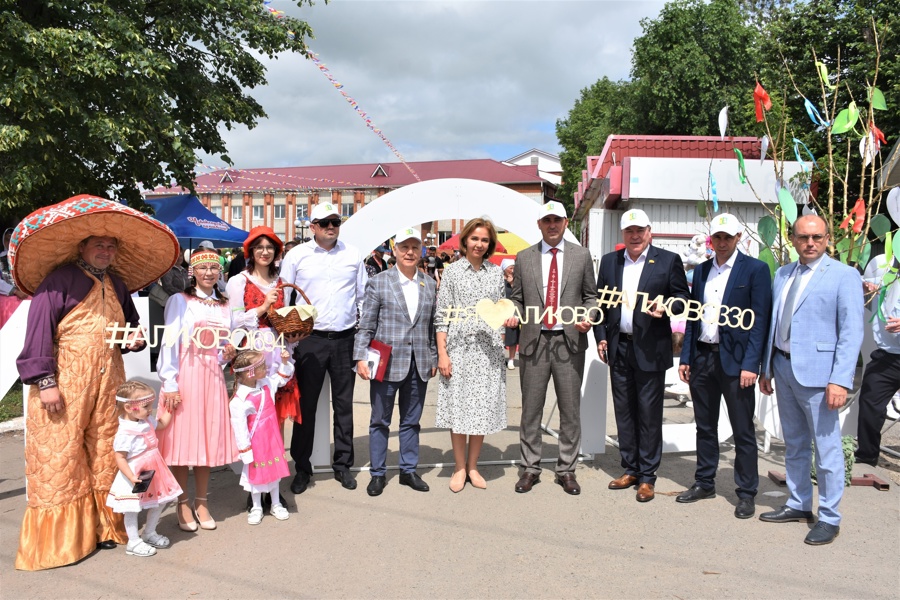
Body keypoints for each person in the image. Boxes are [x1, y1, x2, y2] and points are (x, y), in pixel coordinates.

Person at [11, 194, 179, 571]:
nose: (105, 249)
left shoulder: (118, 284)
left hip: (111, 381)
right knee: (60, 454)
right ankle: (64, 543)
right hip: (67, 380)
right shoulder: (58, 282)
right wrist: (45, 381)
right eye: (98, 244)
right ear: (82, 247)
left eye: (110, 245)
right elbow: (38, 334)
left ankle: (109, 527)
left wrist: (132, 339)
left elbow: (128, 329)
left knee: (108, 448)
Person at [759, 214, 863, 545]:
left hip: (821, 377)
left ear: (828, 238)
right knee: (795, 444)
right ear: (793, 239)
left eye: (817, 237)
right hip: (784, 367)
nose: (810, 243)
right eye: (804, 237)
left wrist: (840, 380)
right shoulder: (784, 273)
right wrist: (767, 367)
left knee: (827, 448)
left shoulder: (844, 276)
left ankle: (830, 517)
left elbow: (851, 332)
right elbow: (775, 323)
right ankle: (799, 502)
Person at [677, 213, 772, 518]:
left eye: (727, 237)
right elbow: (693, 317)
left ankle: (746, 492)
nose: (721, 242)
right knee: (705, 426)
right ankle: (705, 482)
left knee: (742, 429)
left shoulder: (755, 270)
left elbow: (759, 322)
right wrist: (687, 356)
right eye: (716, 237)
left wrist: (751, 364)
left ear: (738, 238)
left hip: (736, 361)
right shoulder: (702, 270)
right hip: (704, 356)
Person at [594, 208, 690, 502]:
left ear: (650, 231)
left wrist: (667, 306)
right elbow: (599, 303)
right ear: (623, 234)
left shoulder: (667, 260)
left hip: (650, 346)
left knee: (649, 413)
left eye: (640, 230)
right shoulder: (610, 262)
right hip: (618, 345)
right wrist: (600, 337)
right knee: (624, 412)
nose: (635, 236)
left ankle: (648, 476)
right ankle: (631, 468)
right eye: (629, 231)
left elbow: (683, 297)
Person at [508, 201, 599, 495]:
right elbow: (517, 297)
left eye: (557, 220)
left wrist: (589, 315)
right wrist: (511, 310)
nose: (552, 225)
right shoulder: (524, 257)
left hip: (569, 341)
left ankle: (566, 470)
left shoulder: (581, 256)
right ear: (539, 224)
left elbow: (591, 297)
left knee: (570, 410)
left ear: (565, 223)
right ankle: (530, 468)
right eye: (547, 220)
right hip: (534, 341)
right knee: (530, 410)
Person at [279, 202, 366, 493]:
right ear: (312, 226)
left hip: (345, 339)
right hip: (309, 340)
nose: (331, 226)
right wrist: (287, 340)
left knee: (344, 407)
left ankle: (343, 466)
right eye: (325, 222)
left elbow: (362, 296)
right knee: (306, 407)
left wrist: (362, 335)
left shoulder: (352, 254)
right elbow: (285, 297)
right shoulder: (296, 255)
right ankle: (302, 467)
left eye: (336, 221)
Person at [157, 249, 238, 533]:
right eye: (202, 268)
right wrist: (169, 383)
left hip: (212, 379)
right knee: (183, 445)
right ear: (193, 271)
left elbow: (220, 350)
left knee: (205, 443)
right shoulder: (180, 301)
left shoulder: (225, 305)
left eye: (213, 268)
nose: (208, 273)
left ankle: (202, 502)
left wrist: (227, 354)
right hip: (185, 376)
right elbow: (169, 342)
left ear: (219, 272)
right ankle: (182, 502)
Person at [354, 227, 438, 496]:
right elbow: (366, 324)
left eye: (415, 247)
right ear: (394, 250)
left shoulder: (429, 283)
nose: (410, 252)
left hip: (419, 362)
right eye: (404, 247)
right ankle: (378, 473)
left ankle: (408, 470)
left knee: (411, 420)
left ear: (421, 250)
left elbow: (432, 325)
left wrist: (434, 355)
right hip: (386, 363)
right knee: (380, 420)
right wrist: (360, 357)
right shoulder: (379, 282)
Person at [435, 217, 511, 493]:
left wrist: (507, 321)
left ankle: (474, 466)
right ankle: (458, 467)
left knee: (479, 409)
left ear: (490, 244)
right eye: (475, 238)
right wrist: (442, 353)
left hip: (487, 352)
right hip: (458, 350)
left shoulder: (495, 273)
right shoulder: (452, 272)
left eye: (485, 240)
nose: (479, 244)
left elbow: (501, 311)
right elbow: (441, 316)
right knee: (458, 408)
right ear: (465, 240)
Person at [225, 226, 301, 427]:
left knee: (278, 410)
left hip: (277, 351)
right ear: (250, 251)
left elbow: (283, 319)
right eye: (259, 247)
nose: (265, 252)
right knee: (252, 411)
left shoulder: (282, 282)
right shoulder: (238, 281)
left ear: (276, 252)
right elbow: (234, 322)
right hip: (251, 352)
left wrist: (291, 337)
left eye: (270, 247)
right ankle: (253, 458)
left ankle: (276, 456)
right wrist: (263, 307)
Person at [106, 381, 183, 557]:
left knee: (160, 502)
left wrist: (169, 409)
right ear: (128, 407)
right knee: (132, 508)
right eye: (146, 406)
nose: (150, 410)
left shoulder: (146, 422)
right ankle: (133, 541)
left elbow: (162, 424)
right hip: (136, 473)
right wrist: (131, 477)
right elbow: (120, 457)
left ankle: (149, 532)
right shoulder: (125, 433)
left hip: (154, 470)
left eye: (151, 406)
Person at [229, 349, 296, 525]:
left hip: (272, 439)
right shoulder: (239, 401)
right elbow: (240, 427)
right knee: (256, 475)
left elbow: (283, 377)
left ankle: (275, 503)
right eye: (262, 366)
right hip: (256, 442)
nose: (267, 368)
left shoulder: (267, 383)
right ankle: (256, 506)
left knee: (274, 472)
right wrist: (245, 450)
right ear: (250, 372)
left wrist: (284, 362)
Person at [856, 260, 900, 467]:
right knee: (870, 403)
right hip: (887, 356)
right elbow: (861, 284)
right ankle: (867, 454)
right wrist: (864, 287)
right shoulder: (886, 272)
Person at [501, 258, 519, 370]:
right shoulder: (497, 279)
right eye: (510, 268)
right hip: (500, 311)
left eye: (514, 268)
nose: (512, 270)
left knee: (513, 335)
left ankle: (511, 359)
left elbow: (518, 296)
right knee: (500, 336)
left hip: (512, 311)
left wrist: (512, 283)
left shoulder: (517, 280)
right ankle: (500, 357)